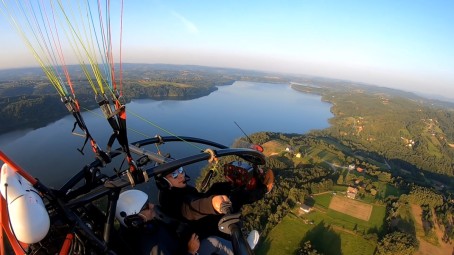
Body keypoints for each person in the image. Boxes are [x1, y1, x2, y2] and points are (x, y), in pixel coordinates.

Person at [156, 165, 274, 254]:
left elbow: (196, 199)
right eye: (174, 175)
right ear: (164, 182)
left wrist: (230, 186)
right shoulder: (170, 200)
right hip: (196, 234)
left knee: (218, 187)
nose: (181, 175)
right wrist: (212, 203)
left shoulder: (177, 189)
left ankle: (245, 185)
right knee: (232, 200)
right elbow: (191, 208)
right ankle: (240, 247)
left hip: (194, 224)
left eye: (180, 170)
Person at [115, 189, 200, 255]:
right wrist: (191, 251)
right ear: (135, 220)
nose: (152, 205)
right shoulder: (153, 247)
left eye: (148, 202)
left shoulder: (145, 225)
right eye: (146, 206)